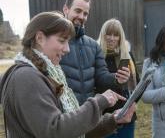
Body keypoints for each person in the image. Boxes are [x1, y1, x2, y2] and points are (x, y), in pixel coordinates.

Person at [0, 11, 136, 138]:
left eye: (68, 42)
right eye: (62, 41)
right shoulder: (26, 77)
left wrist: (112, 120)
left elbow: (72, 130)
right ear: (40, 38)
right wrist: (99, 102)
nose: (67, 49)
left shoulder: (49, 74)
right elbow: (55, 130)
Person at [60, 0, 130, 105]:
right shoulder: (54, 42)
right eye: (78, 11)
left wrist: (117, 78)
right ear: (66, 9)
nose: (82, 17)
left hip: (88, 112)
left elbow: (102, 77)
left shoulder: (93, 46)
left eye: (85, 13)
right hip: (63, 114)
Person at [97, 18, 140, 138]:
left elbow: (139, 83)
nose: (111, 38)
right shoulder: (96, 55)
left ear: (120, 37)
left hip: (126, 116)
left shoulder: (127, 56)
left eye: (116, 35)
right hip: (104, 117)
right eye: (108, 34)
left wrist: (133, 103)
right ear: (103, 34)